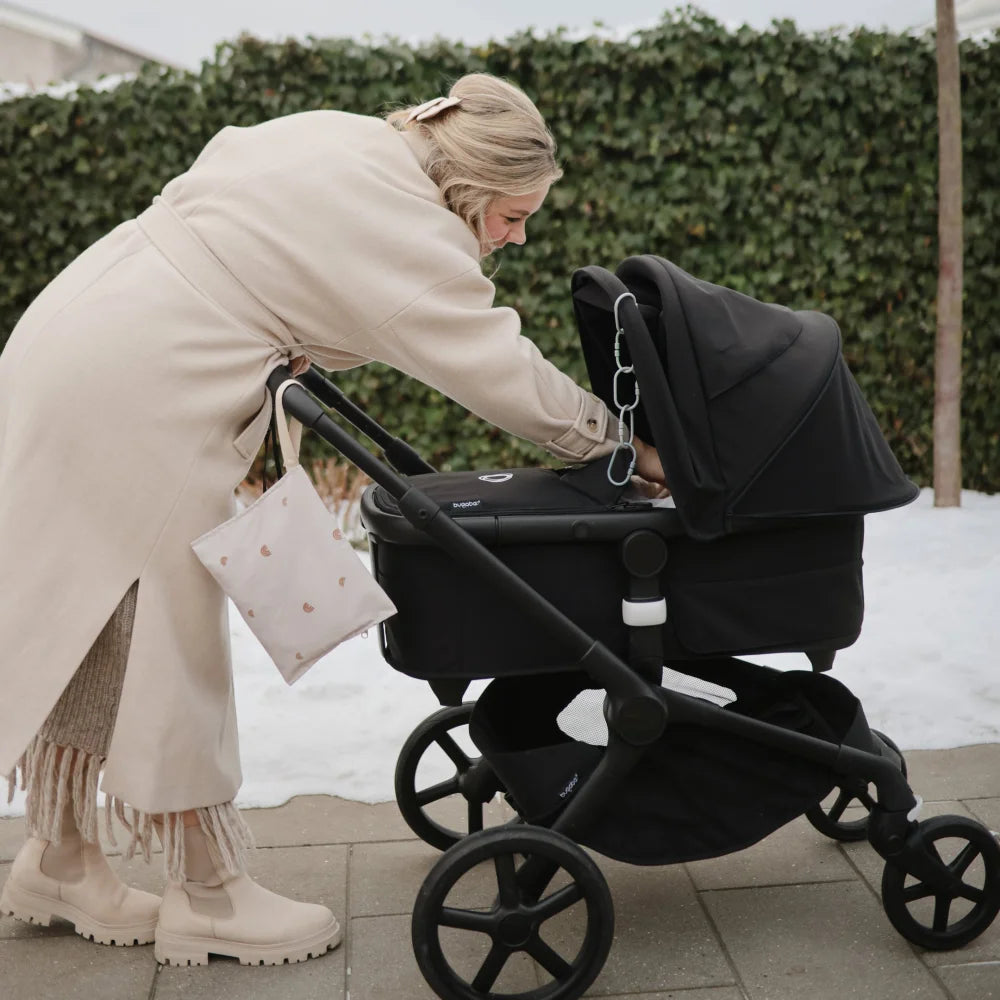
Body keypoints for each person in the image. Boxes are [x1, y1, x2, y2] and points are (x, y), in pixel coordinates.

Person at [0, 73, 665, 966]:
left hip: (77, 331)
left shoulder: (352, 138)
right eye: (512, 215)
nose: (515, 235)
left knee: (97, 612)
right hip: (141, 386)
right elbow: (495, 367)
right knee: (169, 627)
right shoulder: (410, 230)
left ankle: (62, 855)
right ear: (469, 188)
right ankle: (207, 892)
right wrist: (617, 440)